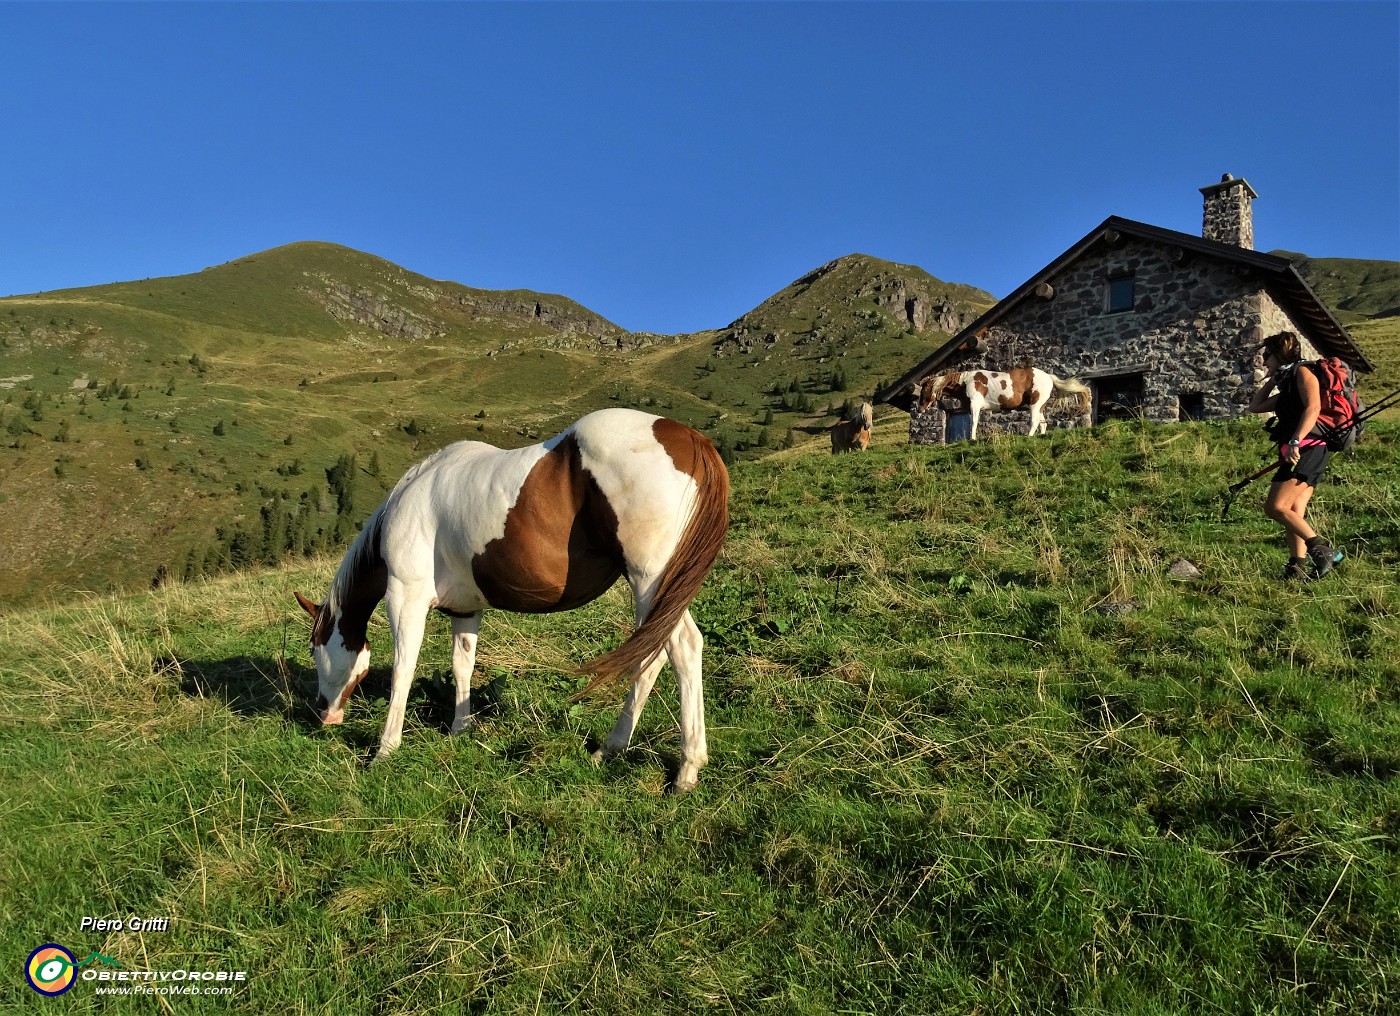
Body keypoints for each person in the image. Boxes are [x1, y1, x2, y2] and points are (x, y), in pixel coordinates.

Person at [1247, 331, 1344, 581]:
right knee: (1293, 509)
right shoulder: (1287, 382)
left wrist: (1295, 441)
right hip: (1301, 450)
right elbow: (1255, 406)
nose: (1264, 361)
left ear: (1279, 353)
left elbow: (1314, 407)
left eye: (1267, 355)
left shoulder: (1302, 372)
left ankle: (1322, 550)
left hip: (1307, 449)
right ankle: (1297, 567)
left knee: (1275, 506)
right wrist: (1270, 379)